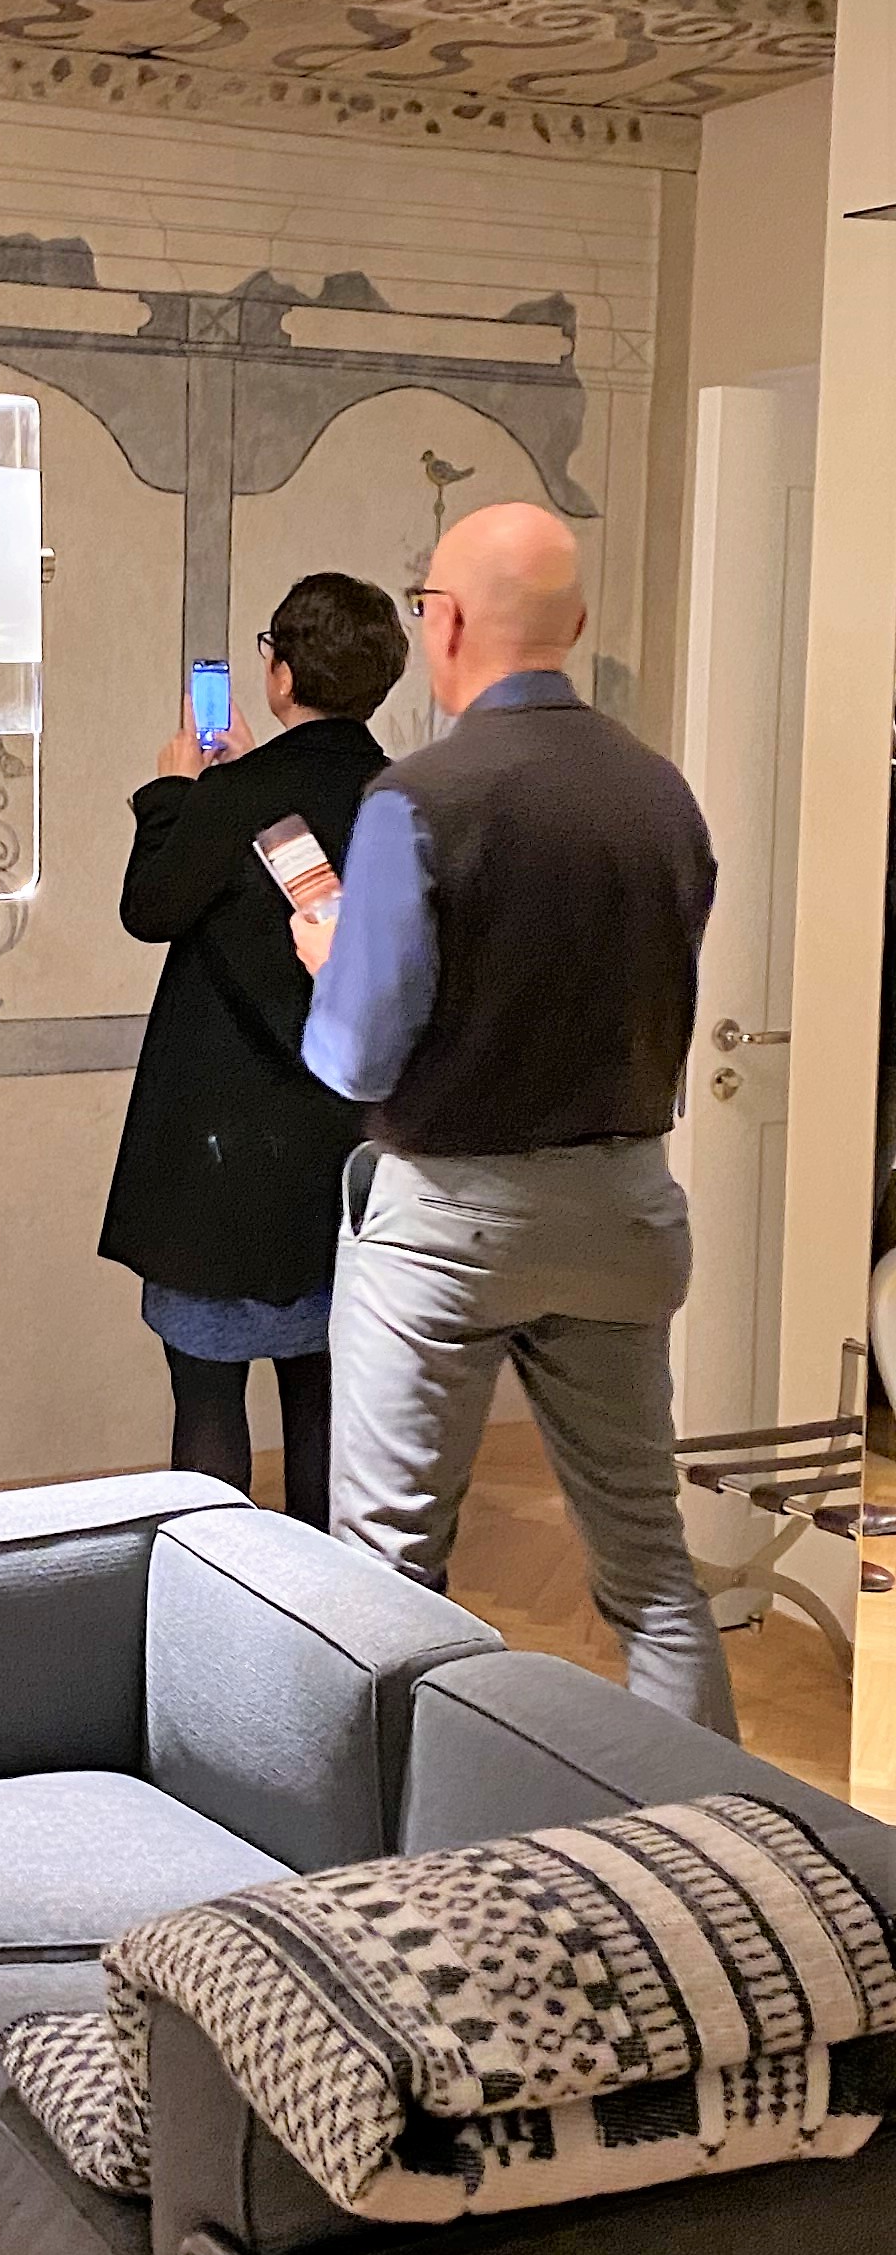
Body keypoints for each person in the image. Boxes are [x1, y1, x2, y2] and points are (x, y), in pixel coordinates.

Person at [295, 499, 734, 1732]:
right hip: (623, 1207)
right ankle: (718, 1827)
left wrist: (327, 955)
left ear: (441, 625)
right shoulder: (660, 794)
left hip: (446, 1221)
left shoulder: (419, 795)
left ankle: (401, 1839)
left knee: (383, 1577)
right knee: (651, 1574)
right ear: (573, 625)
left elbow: (354, 1054)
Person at [99, 574, 408, 1528]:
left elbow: (150, 906)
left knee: (207, 1392)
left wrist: (174, 793)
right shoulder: (405, 801)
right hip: (347, 1144)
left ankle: (219, 1587)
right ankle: (320, 1595)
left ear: (281, 674)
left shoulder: (232, 795)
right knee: (321, 1393)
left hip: (216, 1151)